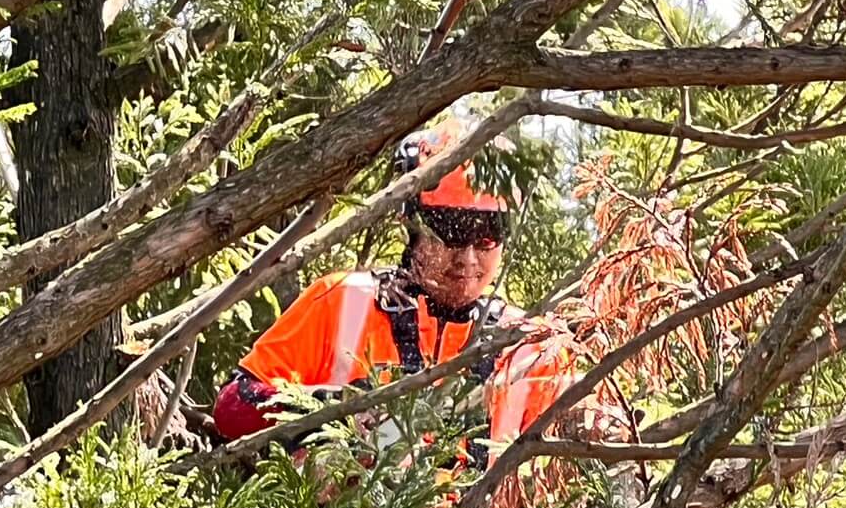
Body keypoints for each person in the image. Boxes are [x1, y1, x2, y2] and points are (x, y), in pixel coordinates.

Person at [213, 120, 576, 462]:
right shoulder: (344, 301)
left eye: (487, 233)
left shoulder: (532, 347)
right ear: (411, 223)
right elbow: (233, 408)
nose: (467, 258)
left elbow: (572, 476)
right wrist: (328, 414)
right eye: (451, 230)